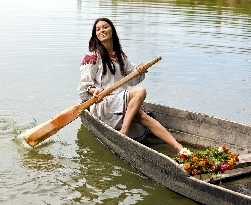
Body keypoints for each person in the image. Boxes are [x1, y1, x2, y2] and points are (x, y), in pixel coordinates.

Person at [78, 18, 183, 153]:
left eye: (105, 27)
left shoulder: (119, 55)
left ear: (112, 31)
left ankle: (180, 148)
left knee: (144, 117)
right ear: (95, 35)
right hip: (104, 103)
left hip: (120, 100)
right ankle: (125, 130)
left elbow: (132, 78)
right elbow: (84, 86)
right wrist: (94, 90)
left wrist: (139, 70)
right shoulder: (92, 56)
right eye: (98, 29)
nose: (102, 31)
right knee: (140, 92)